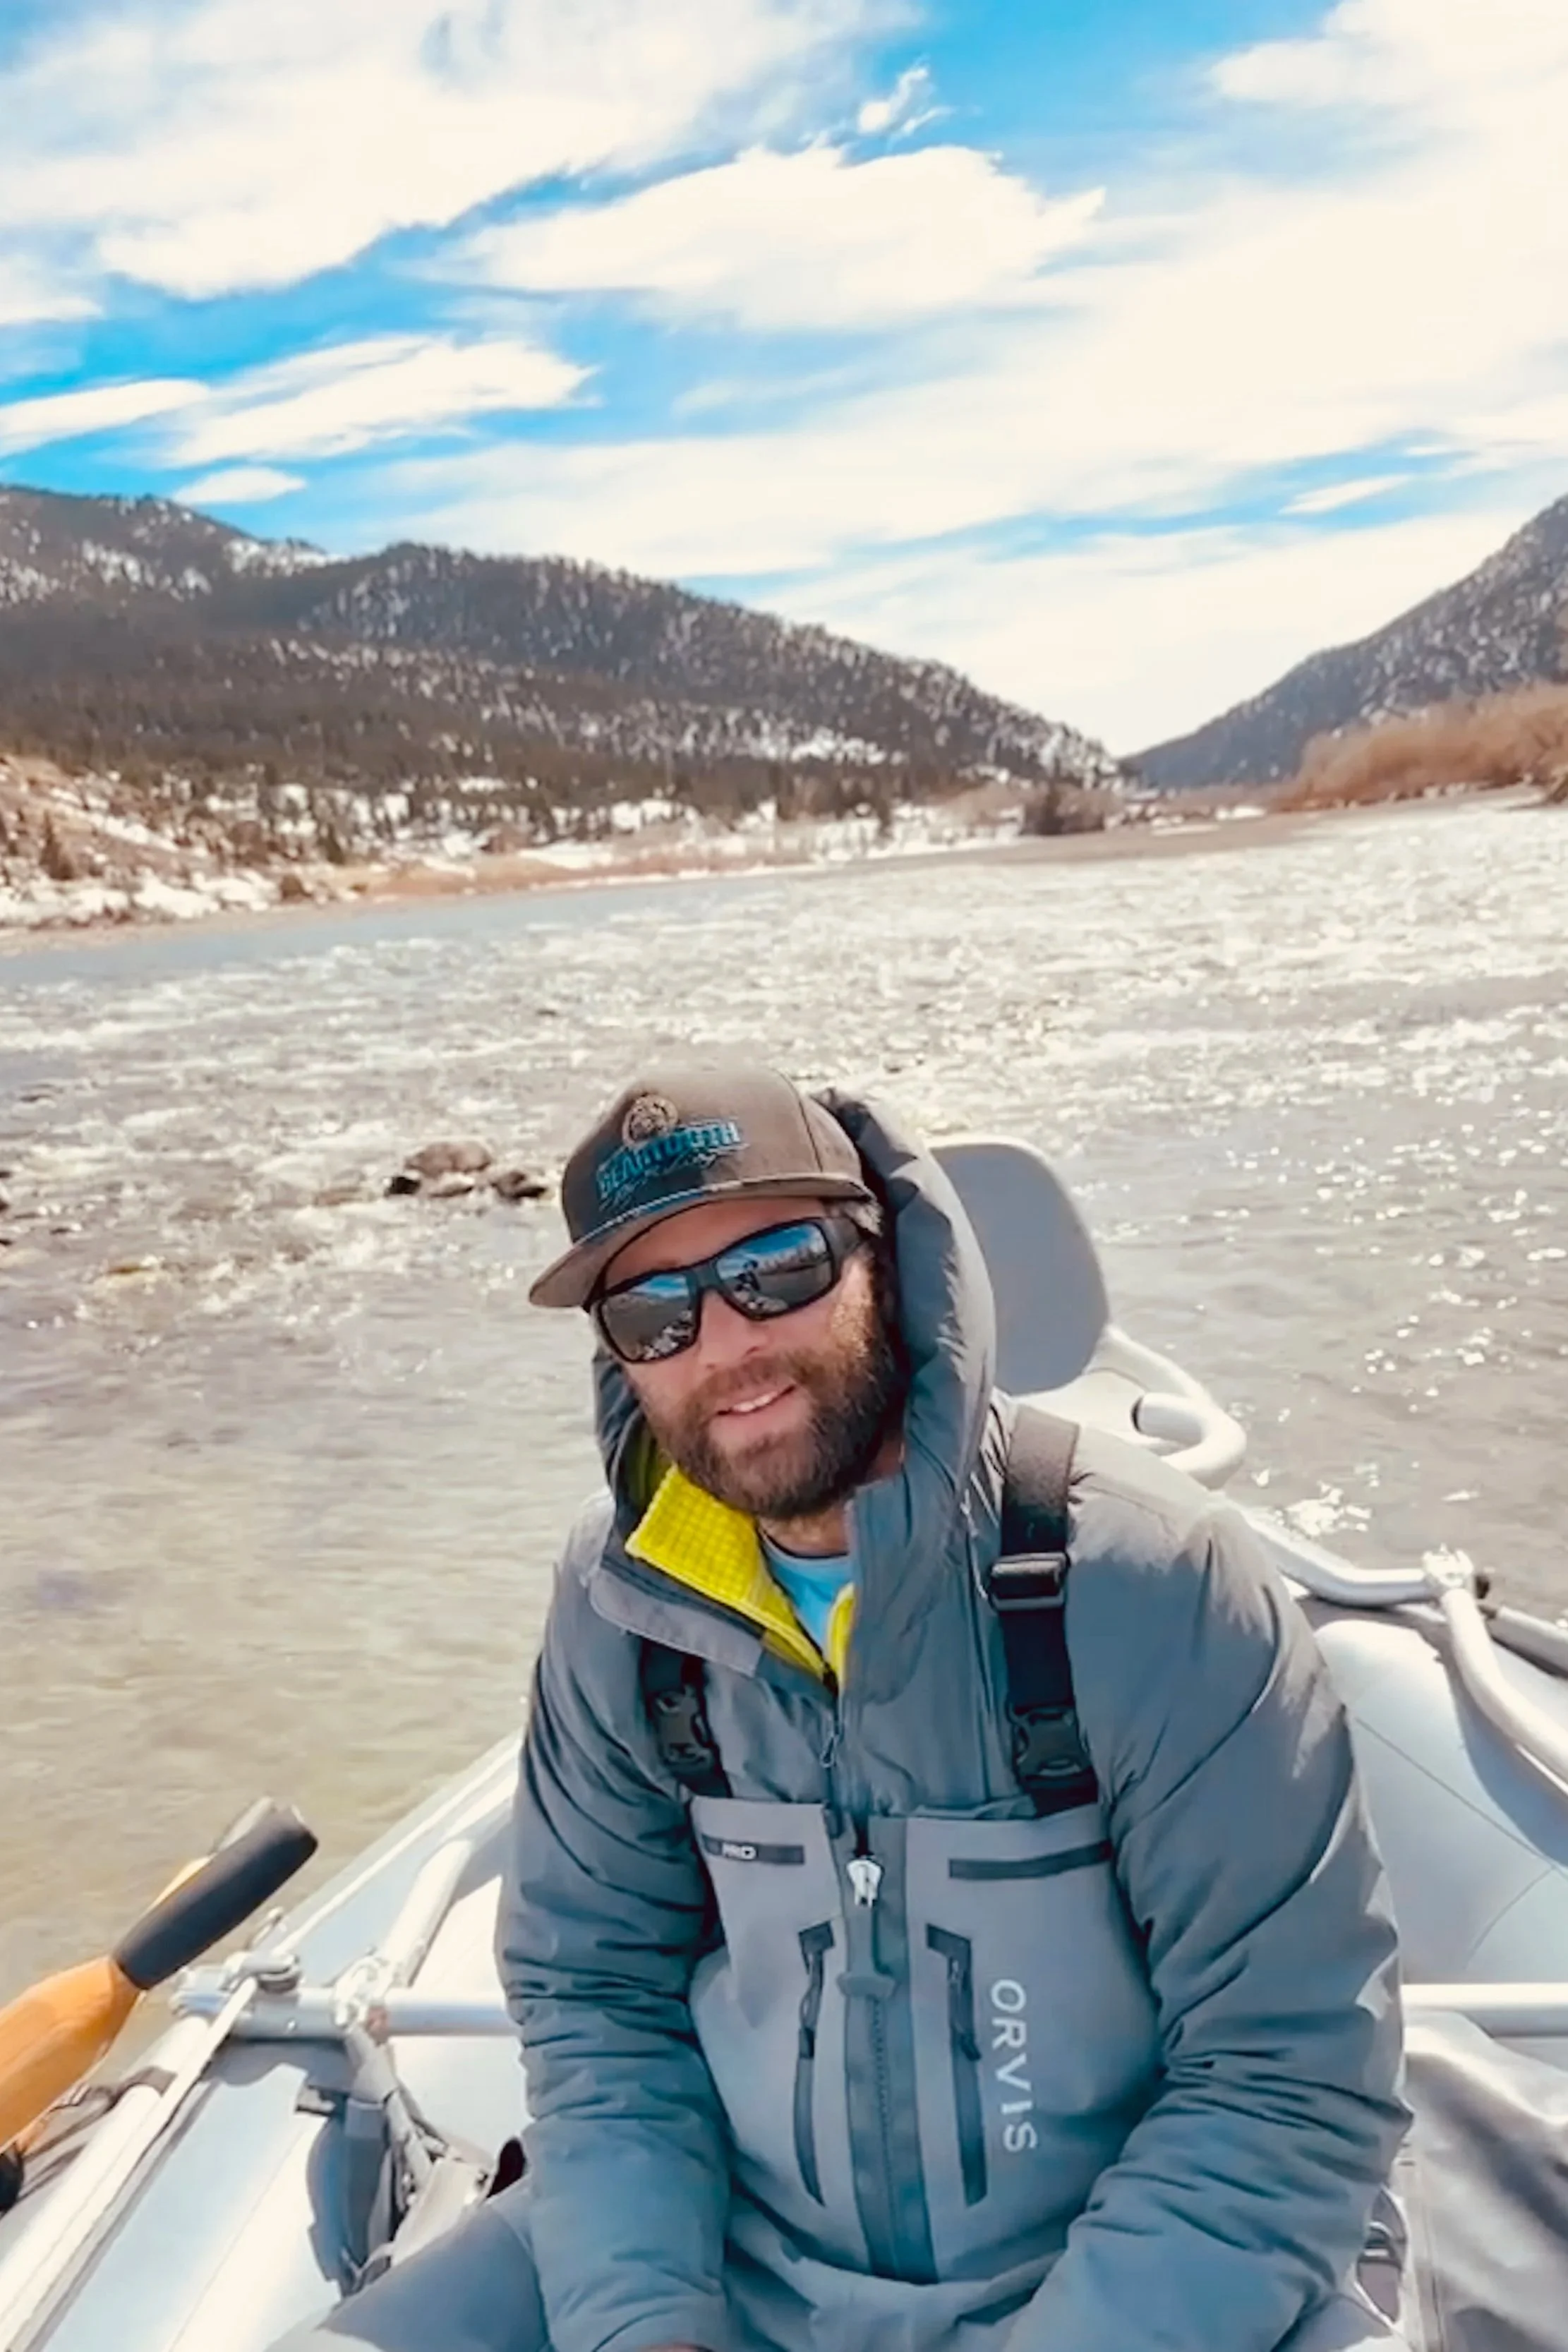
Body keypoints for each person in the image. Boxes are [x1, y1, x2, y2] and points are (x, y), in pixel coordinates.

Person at [279, 1058, 1409, 2352]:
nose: (725, 1343)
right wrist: (646, 2325)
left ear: (888, 1257)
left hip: (1118, 2289)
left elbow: (1282, 2078)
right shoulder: (616, 1608)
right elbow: (598, 2002)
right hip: (739, 2273)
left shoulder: (1157, 1584)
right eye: (653, 1315)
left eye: (774, 1268)